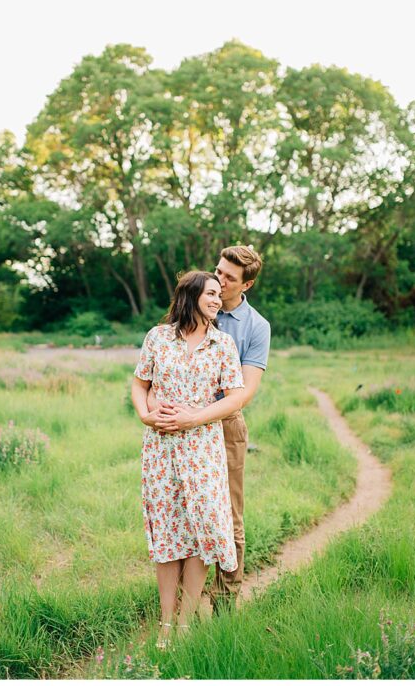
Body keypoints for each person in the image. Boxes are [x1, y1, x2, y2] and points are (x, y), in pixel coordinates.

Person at [131, 271, 246, 649]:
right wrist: (146, 414)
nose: (218, 299)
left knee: (199, 534)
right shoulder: (158, 337)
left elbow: (234, 398)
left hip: (203, 450)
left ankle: (185, 623)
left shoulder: (222, 344)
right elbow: (140, 383)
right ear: (191, 295)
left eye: (220, 293)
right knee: (167, 534)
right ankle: (166, 623)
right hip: (161, 451)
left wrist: (195, 416)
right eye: (211, 293)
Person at [152, 246, 271, 610]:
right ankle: (182, 601)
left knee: (226, 515)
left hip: (224, 424)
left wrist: (196, 416)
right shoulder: (199, 301)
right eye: (218, 271)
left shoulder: (256, 327)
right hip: (180, 424)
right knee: (178, 510)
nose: (219, 279)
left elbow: (244, 393)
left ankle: (223, 602)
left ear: (246, 284)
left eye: (229, 278)